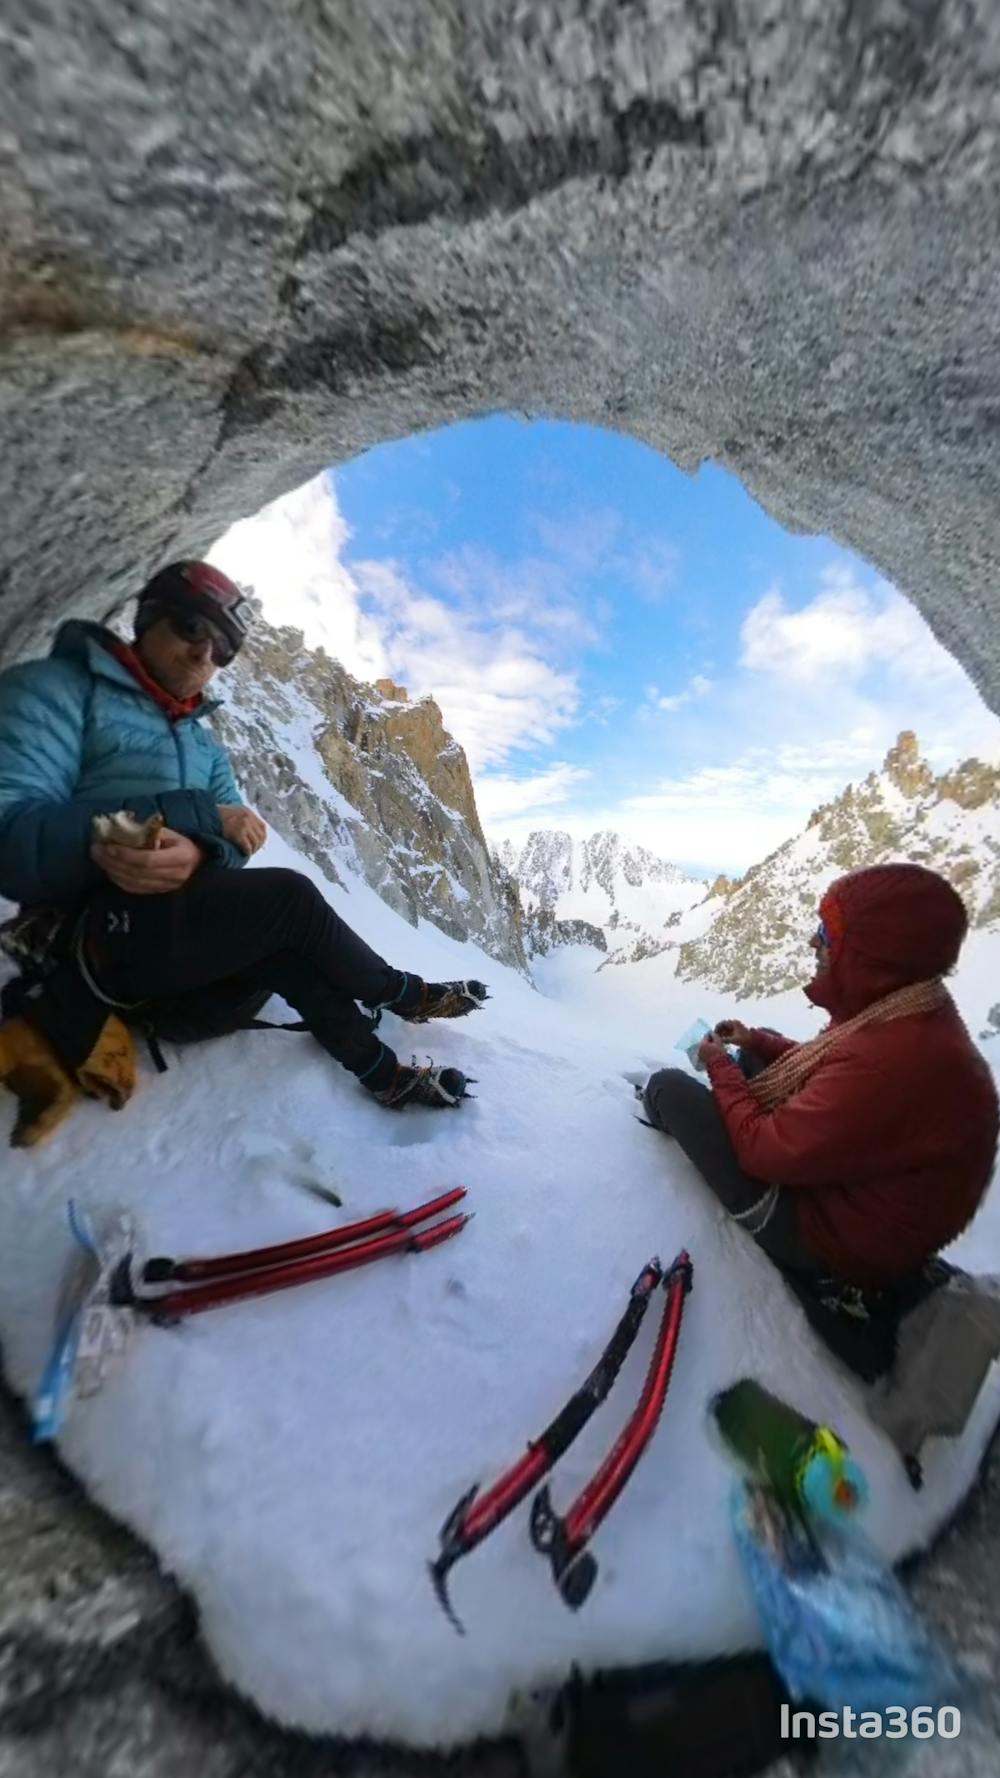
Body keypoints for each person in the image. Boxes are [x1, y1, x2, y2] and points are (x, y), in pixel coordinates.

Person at [0, 560, 486, 1142]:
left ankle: (383, 1075)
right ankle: (403, 994)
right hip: (95, 952)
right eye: (190, 627)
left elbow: (236, 846)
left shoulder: (204, 748)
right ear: (147, 617)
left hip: (181, 984)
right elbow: (10, 832)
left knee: (282, 947)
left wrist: (205, 854)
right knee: (290, 896)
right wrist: (189, 820)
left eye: (224, 648)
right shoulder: (56, 690)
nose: (205, 654)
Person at [643, 863, 998, 1293]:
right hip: (863, 1203)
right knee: (754, 1061)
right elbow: (834, 1071)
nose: (814, 940)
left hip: (828, 1237)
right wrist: (757, 1041)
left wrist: (719, 1067)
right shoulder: (911, 1012)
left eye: (828, 934)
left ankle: (655, 1112)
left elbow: (761, 1150)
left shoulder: (887, 1061)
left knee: (668, 1088)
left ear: (871, 956)